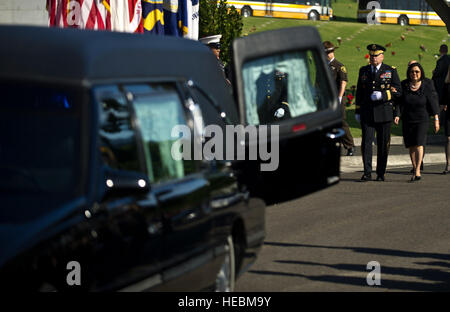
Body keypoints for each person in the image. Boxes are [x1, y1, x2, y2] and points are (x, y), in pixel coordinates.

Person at [355, 44, 402, 182]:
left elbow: (398, 92)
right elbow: (359, 92)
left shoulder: (390, 71)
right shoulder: (363, 70)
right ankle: (367, 172)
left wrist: (384, 95)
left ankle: (381, 172)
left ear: (382, 56)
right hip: (367, 112)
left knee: (383, 144)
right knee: (366, 143)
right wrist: (358, 110)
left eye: (376, 55)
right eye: (371, 55)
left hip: (384, 112)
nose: (373, 58)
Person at [394, 62, 440, 181]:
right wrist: (397, 115)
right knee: (411, 145)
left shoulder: (427, 85)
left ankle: (418, 169)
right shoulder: (404, 85)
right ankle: (414, 167)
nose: (414, 74)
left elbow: (433, 103)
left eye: (417, 72)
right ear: (409, 73)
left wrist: (436, 119)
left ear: (421, 73)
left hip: (422, 119)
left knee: (419, 143)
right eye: (412, 72)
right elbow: (399, 102)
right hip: (408, 118)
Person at [323, 41, 355, 156]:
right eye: (326, 52)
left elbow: (343, 83)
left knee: (340, 122)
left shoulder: (339, 66)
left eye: (330, 52)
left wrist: (339, 98)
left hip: (337, 98)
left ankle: (350, 145)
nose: (328, 54)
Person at [442, 65, 450, 174]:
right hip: (449, 114)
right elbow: (443, 101)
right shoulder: (447, 84)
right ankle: (448, 164)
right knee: (448, 139)